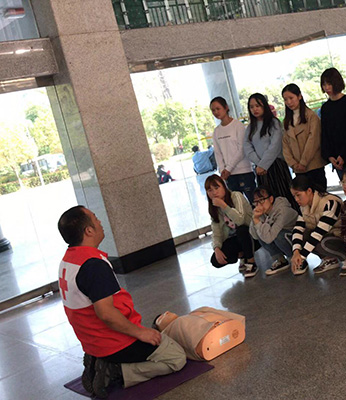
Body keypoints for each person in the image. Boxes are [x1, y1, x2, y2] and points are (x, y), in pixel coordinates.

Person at [57, 206, 186, 398]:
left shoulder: (70, 259)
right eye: (95, 218)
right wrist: (140, 332)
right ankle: (115, 370)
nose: (100, 221)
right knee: (176, 358)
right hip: (114, 341)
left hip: (91, 340)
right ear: (89, 231)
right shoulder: (93, 266)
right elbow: (106, 314)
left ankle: (100, 358)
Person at [243, 93, 296, 209]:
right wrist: (260, 164)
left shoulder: (273, 123)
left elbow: (275, 146)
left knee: (283, 197)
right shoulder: (250, 127)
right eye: (251, 107)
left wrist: (263, 165)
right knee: (267, 202)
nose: (255, 109)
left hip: (276, 166)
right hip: (261, 170)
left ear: (264, 106)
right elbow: (247, 147)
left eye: (258, 106)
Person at [289, 175, 346, 275]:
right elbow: (298, 228)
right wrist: (296, 252)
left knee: (321, 242)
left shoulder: (330, 202)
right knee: (300, 236)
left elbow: (319, 233)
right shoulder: (304, 206)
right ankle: (329, 259)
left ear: (309, 191)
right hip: (326, 235)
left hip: (343, 237)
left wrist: (301, 257)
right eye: (294, 196)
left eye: (298, 195)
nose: (296, 199)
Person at [205, 174, 258, 278]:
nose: (214, 192)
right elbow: (216, 232)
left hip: (252, 235)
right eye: (210, 190)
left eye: (217, 187)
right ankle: (242, 255)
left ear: (224, 186)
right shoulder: (214, 208)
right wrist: (216, 248)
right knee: (215, 260)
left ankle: (251, 262)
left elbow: (240, 220)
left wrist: (224, 206)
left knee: (241, 230)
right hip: (235, 239)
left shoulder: (236, 196)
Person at [281, 83, 328, 189]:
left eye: (291, 98)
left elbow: (313, 140)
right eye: (285, 99)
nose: (289, 102)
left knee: (318, 195)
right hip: (298, 169)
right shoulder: (287, 121)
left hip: (313, 166)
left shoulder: (311, 116)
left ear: (299, 96)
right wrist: (293, 164)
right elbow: (285, 145)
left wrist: (303, 162)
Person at [319, 68, 346, 179]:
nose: (326, 88)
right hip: (335, 159)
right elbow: (325, 134)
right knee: (345, 186)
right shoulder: (325, 107)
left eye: (329, 84)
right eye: (324, 84)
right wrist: (329, 156)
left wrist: (343, 155)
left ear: (336, 83)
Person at [210, 96, 256, 202]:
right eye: (213, 110)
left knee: (253, 201)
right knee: (236, 204)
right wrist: (222, 170)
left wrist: (228, 168)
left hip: (244, 171)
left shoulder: (238, 126)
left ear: (226, 107)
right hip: (229, 175)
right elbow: (218, 153)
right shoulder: (217, 131)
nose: (216, 112)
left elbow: (241, 150)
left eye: (218, 108)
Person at [249, 186, 298, 276]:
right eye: (256, 202)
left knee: (278, 236)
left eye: (261, 200)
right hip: (279, 236)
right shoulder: (262, 212)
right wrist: (255, 219)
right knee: (261, 233)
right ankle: (281, 260)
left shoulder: (282, 210)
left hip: (296, 237)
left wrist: (258, 222)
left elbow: (269, 238)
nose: (259, 204)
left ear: (271, 199)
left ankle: (297, 259)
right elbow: (255, 236)